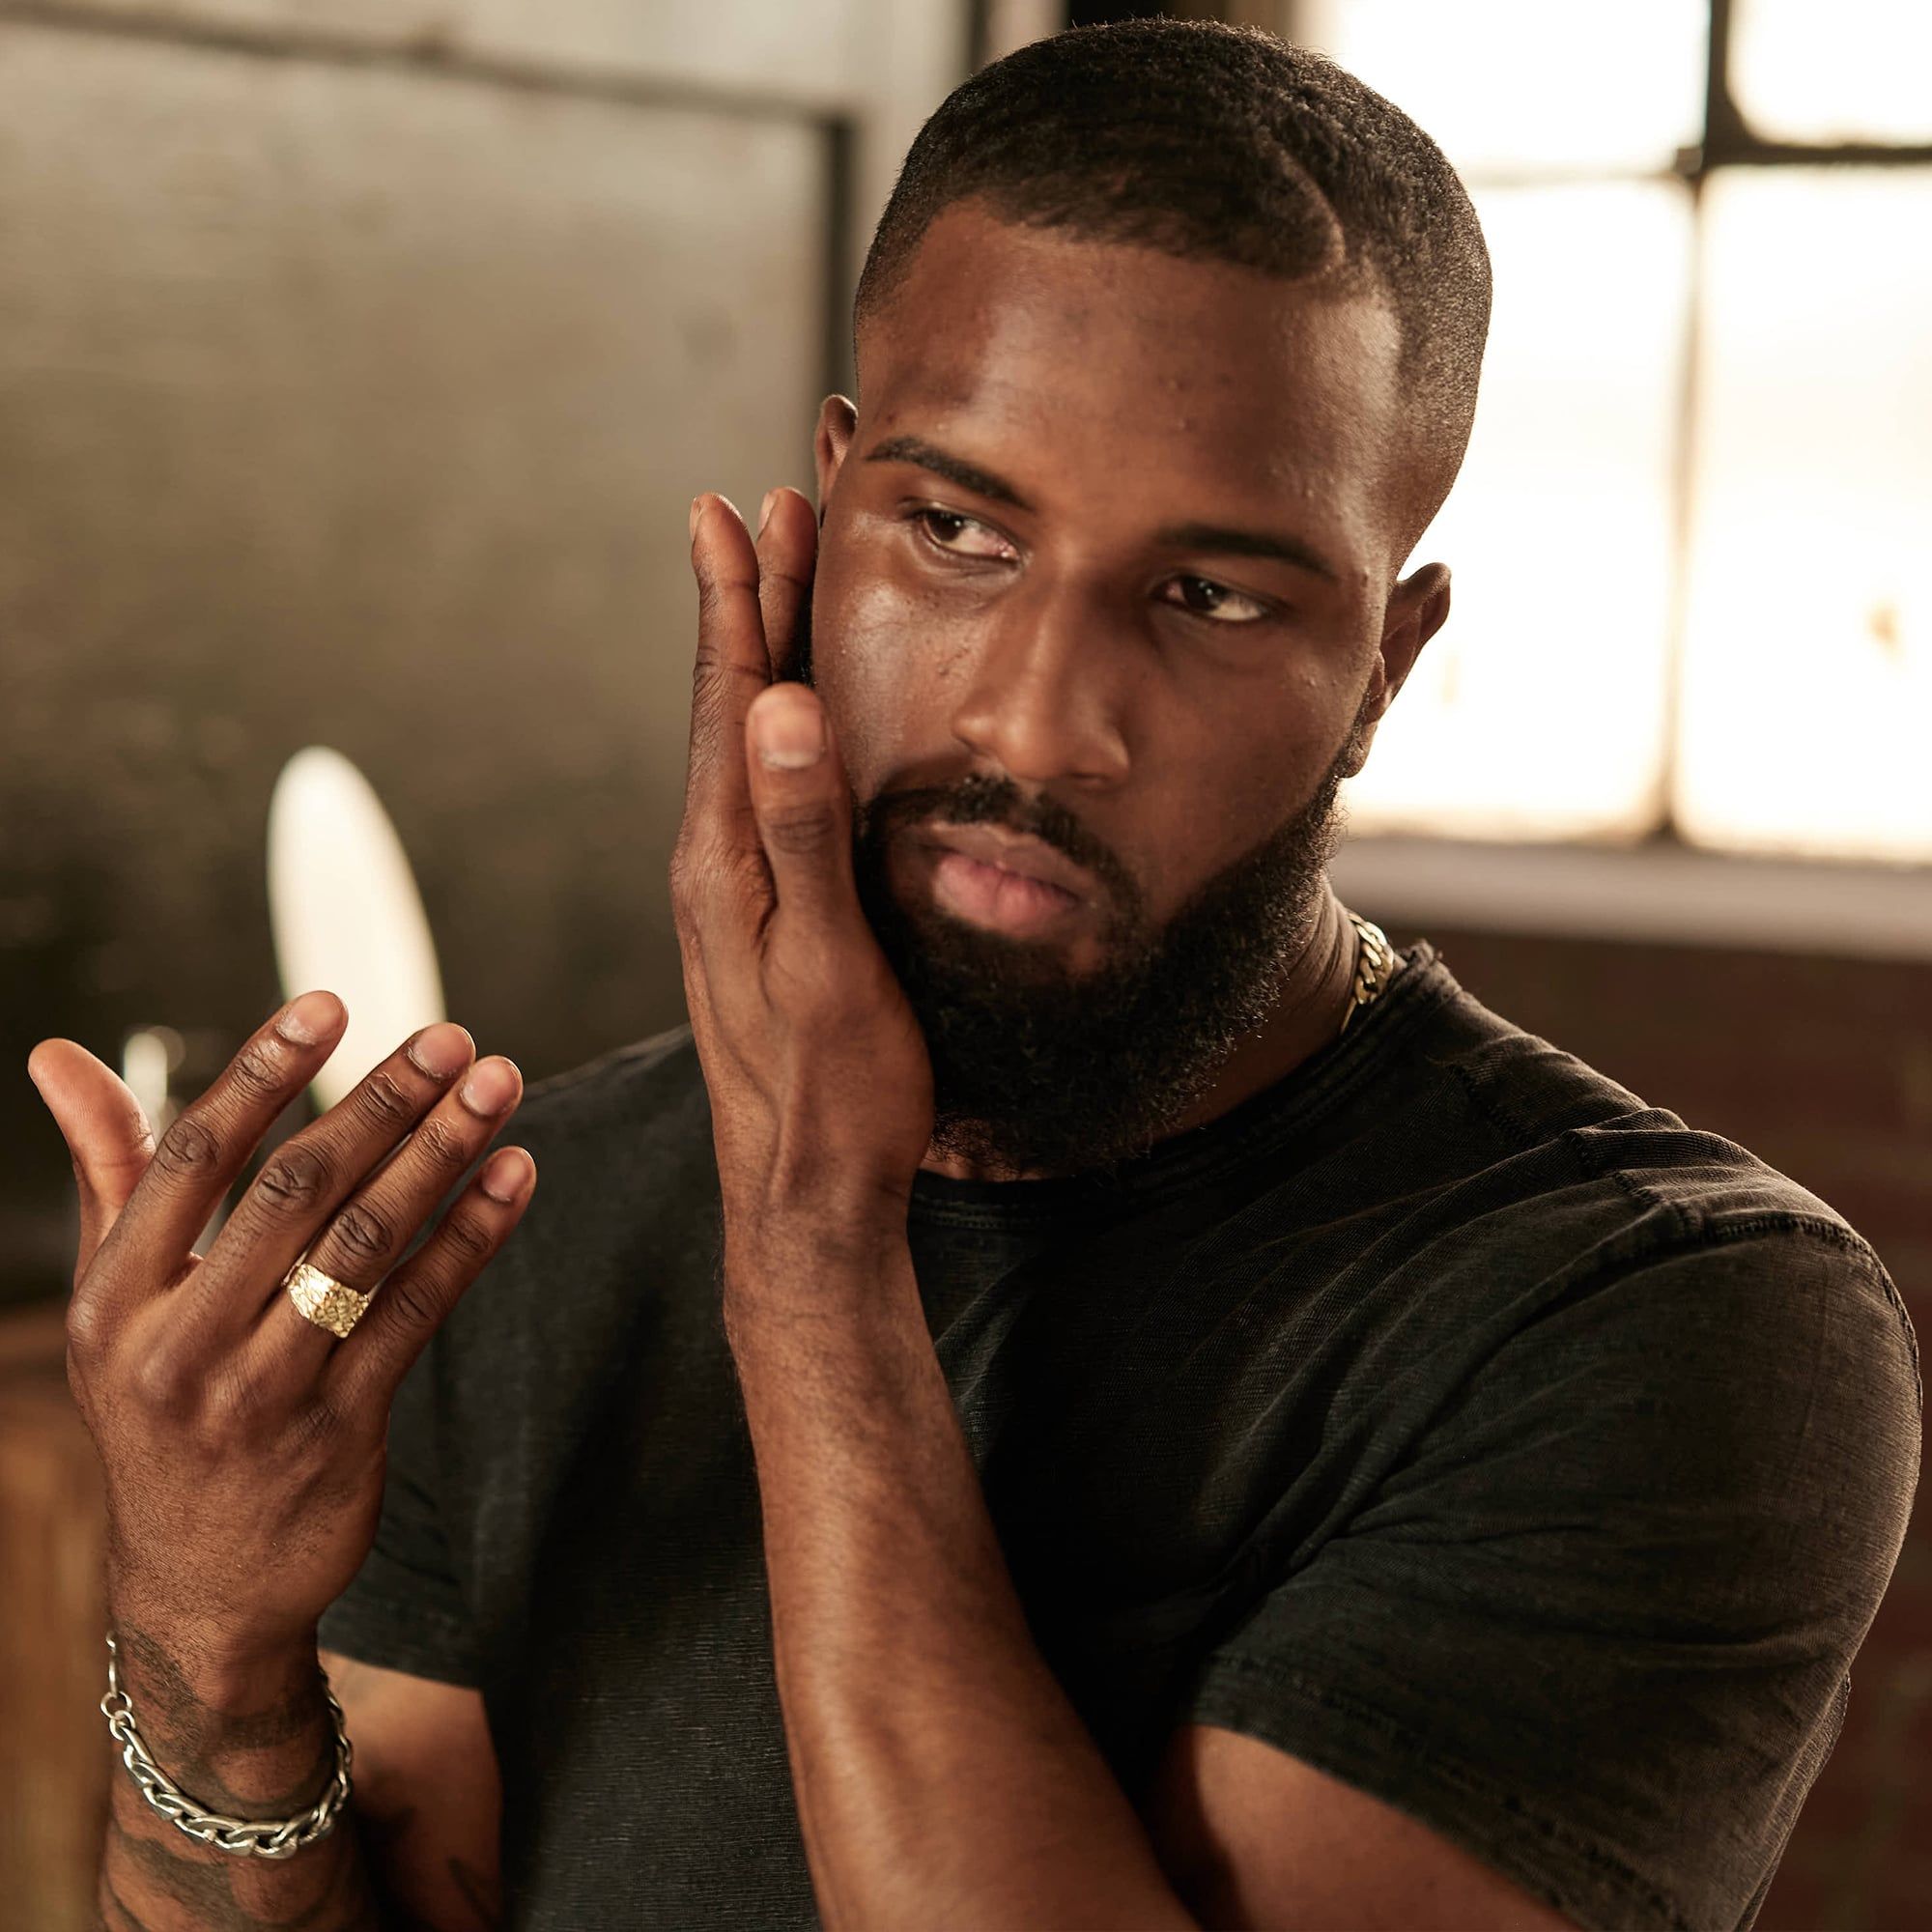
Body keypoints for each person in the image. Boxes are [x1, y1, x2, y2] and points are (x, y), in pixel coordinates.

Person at [29, 19, 1919, 1932]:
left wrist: (811, 1248)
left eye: (1211, 596)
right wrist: (208, 1644)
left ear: (1384, 660)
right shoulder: (526, 1221)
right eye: (954, 530)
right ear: (825, 508)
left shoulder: (1660, 1326)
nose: (1037, 717)